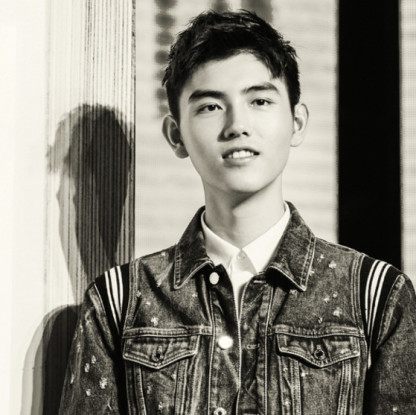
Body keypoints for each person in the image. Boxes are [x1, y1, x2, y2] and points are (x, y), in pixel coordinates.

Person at [59, 9, 416, 414]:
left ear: (297, 122)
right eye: (211, 106)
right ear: (176, 136)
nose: (237, 125)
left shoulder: (375, 296)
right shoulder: (121, 301)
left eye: (260, 101)